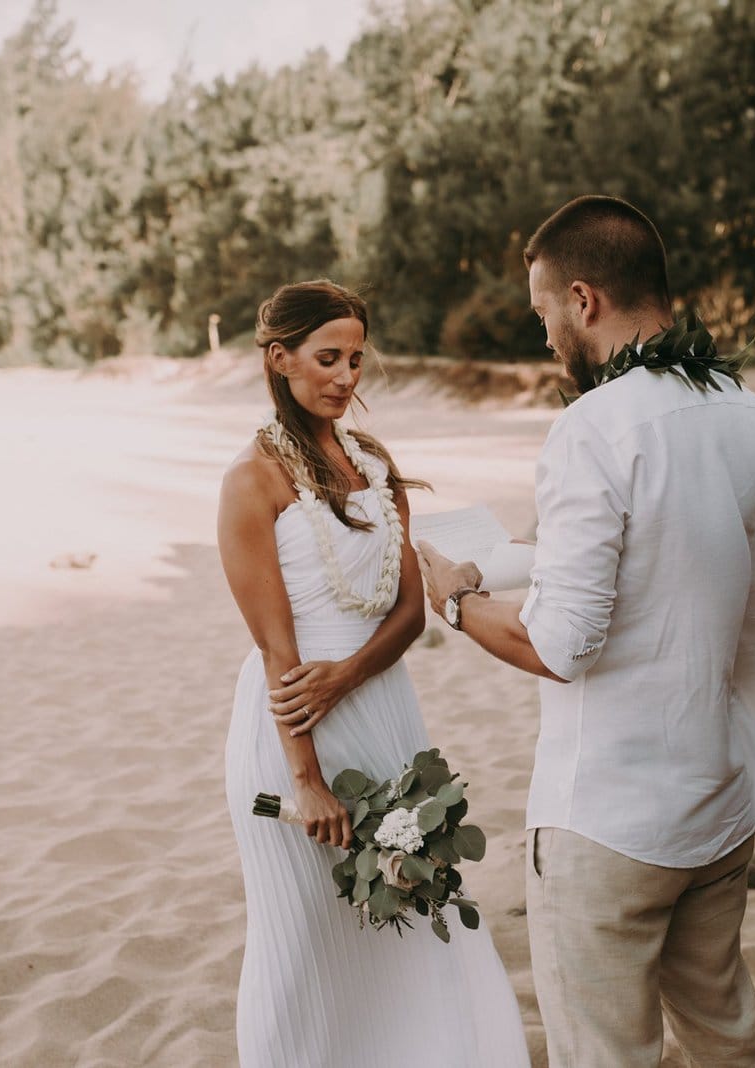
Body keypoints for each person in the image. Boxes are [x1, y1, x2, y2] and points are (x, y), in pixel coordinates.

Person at [417, 195, 755, 1068]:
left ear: (583, 299)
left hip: (609, 819)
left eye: (543, 313)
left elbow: (561, 646)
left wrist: (455, 602)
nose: (544, 335)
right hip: (722, 797)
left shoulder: (592, 425)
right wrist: (509, 564)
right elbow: (714, 576)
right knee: (726, 1040)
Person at [218, 280, 528, 1068]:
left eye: (355, 360)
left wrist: (350, 674)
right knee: (304, 937)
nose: (345, 376)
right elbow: (278, 652)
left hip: (382, 712)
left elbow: (411, 613)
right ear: (280, 358)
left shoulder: (374, 464)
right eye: (327, 358)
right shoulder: (251, 480)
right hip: (295, 732)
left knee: (419, 912)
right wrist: (307, 781)